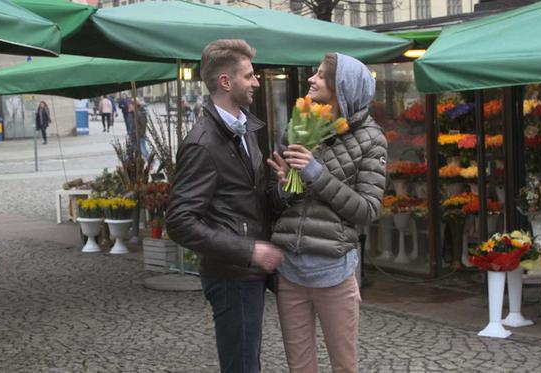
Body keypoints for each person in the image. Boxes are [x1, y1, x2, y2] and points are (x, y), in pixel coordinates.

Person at [165, 39, 284, 373]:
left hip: (249, 273)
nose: (257, 82)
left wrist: (291, 185)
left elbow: (255, 200)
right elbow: (179, 221)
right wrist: (248, 251)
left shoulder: (245, 130)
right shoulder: (202, 144)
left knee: (248, 363)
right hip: (231, 275)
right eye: (249, 76)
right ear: (225, 82)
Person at [267, 53, 387, 373]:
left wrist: (316, 174)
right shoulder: (299, 126)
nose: (311, 79)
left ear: (341, 87)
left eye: (320, 76)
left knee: (343, 367)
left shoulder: (371, 138)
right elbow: (280, 203)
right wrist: (283, 187)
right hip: (290, 269)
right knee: (299, 367)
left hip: (334, 272)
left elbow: (367, 210)